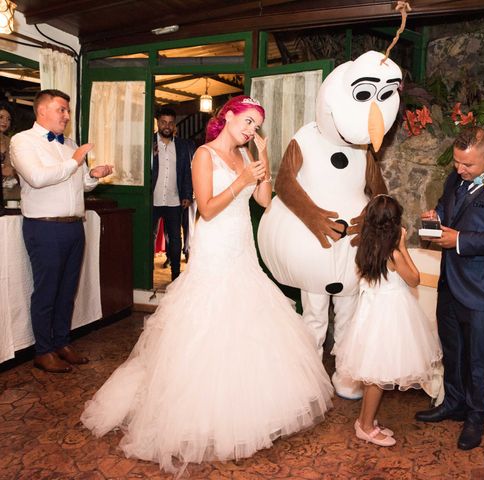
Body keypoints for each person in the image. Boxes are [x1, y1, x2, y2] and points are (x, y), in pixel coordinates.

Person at [81, 95, 333, 475]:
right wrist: (242, 181)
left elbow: (264, 201)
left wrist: (261, 164)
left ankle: (248, 409)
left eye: (256, 125)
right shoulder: (203, 155)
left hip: (242, 249)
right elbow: (208, 208)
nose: (251, 130)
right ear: (227, 117)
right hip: (215, 249)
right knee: (208, 324)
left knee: (248, 326)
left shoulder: (247, 157)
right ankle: (198, 415)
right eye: (246, 121)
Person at [415, 126, 484, 450]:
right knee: (453, 350)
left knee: (479, 358)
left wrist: (460, 240)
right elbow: (446, 208)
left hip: (483, 290)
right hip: (450, 282)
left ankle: (476, 417)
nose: (459, 170)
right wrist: (434, 218)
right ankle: (453, 403)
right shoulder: (455, 178)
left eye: (468, 165)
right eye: (456, 163)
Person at [10, 89, 113, 373]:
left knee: (67, 291)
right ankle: (43, 351)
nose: (67, 116)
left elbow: (77, 183)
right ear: (41, 110)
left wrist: (93, 175)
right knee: (47, 292)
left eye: (67, 110)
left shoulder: (69, 144)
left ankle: (61, 343)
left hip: (73, 227)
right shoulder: (23, 142)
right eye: (62, 110)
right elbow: (38, 177)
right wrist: (75, 161)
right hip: (44, 227)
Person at [333, 194, 444, 447]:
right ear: (394, 224)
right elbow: (415, 279)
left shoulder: (366, 247)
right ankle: (365, 426)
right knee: (377, 378)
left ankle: (365, 420)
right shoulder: (392, 253)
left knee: (374, 375)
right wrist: (403, 246)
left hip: (371, 314)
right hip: (389, 317)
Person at [152, 106, 194, 280]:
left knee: (176, 240)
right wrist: (151, 155)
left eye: (170, 123)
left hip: (174, 200)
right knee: (149, 239)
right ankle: (147, 274)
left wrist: (187, 195)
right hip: (152, 200)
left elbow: (186, 172)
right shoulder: (149, 143)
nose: (167, 126)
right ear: (158, 123)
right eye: (163, 122)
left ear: (174, 125)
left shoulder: (183, 146)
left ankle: (175, 275)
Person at [0, 102, 18, 206]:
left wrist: (14, 171)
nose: (5, 121)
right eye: (1, 117)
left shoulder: (11, 141)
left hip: (9, 194)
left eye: (8, 119)